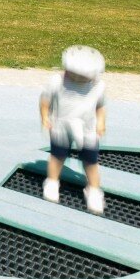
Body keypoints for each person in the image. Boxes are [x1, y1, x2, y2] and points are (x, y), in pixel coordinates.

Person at [41, 45, 108, 214]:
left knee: (91, 161)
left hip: (87, 129)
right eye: (76, 74)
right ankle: (52, 181)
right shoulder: (57, 81)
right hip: (61, 125)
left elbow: (100, 106)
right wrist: (45, 116)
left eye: (85, 76)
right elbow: (45, 100)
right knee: (57, 156)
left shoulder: (98, 86)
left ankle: (93, 190)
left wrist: (101, 122)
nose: (80, 79)